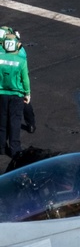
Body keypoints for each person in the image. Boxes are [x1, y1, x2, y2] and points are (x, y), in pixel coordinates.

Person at [0, 26, 29, 162]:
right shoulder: (21, 61)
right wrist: (27, 93)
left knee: (2, 120)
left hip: (1, 94)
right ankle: (15, 149)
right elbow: (25, 80)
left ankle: (1, 147)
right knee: (15, 121)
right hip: (16, 95)